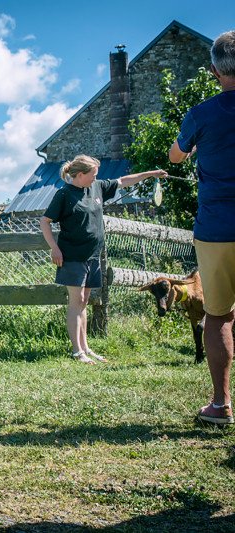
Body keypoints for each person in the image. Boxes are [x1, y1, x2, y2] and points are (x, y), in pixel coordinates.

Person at [39, 156, 166, 364]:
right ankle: (76, 351)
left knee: (85, 302)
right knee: (76, 302)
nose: (95, 178)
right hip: (72, 257)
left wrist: (150, 174)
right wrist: (54, 248)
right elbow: (45, 221)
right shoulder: (64, 195)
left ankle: (86, 348)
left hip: (92, 257)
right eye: (93, 175)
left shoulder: (96, 187)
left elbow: (124, 181)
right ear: (80, 175)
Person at [169, 30, 235, 425]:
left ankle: (221, 405)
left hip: (216, 229)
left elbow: (176, 156)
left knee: (218, 315)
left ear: (214, 71)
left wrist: (189, 145)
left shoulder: (201, 114)